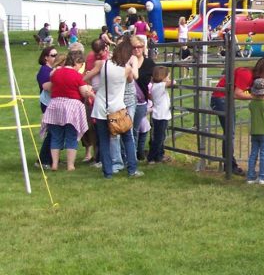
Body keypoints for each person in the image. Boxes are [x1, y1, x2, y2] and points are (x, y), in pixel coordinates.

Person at [86, 36, 141, 179]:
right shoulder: (127, 68)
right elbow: (130, 80)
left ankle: (108, 172)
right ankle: (132, 169)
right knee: (128, 138)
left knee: (104, 140)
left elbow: (86, 77)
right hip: (117, 108)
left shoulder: (102, 64)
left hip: (101, 108)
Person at [211, 57, 264, 176]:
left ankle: (229, 164)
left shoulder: (251, 76)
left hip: (223, 99)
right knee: (230, 133)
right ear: (262, 69)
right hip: (221, 99)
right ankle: (230, 165)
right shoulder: (246, 74)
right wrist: (257, 97)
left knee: (230, 133)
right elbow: (237, 93)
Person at [42, 50, 94, 171]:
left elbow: (50, 86)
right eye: (81, 64)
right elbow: (83, 92)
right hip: (72, 108)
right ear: (77, 62)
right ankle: (70, 165)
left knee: (55, 136)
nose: (81, 67)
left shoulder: (56, 73)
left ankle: (54, 164)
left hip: (55, 106)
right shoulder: (77, 76)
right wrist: (90, 92)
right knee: (71, 136)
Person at [247, 78, 264, 184]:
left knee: (253, 153)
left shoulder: (251, 104)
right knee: (263, 154)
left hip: (254, 131)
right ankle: (262, 177)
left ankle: (250, 176)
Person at [36, 47, 58, 168]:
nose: (56, 57)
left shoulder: (52, 69)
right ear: (46, 57)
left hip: (53, 103)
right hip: (48, 104)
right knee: (52, 132)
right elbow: (45, 86)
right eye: (53, 55)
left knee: (55, 132)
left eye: (56, 55)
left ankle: (51, 158)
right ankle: (43, 160)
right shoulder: (44, 70)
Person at [148, 66, 172, 164]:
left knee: (160, 136)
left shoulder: (156, 85)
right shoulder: (159, 86)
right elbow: (173, 82)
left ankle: (159, 155)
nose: (169, 78)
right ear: (162, 77)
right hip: (160, 116)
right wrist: (168, 80)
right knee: (159, 138)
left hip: (160, 115)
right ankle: (151, 157)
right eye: (168, 76)